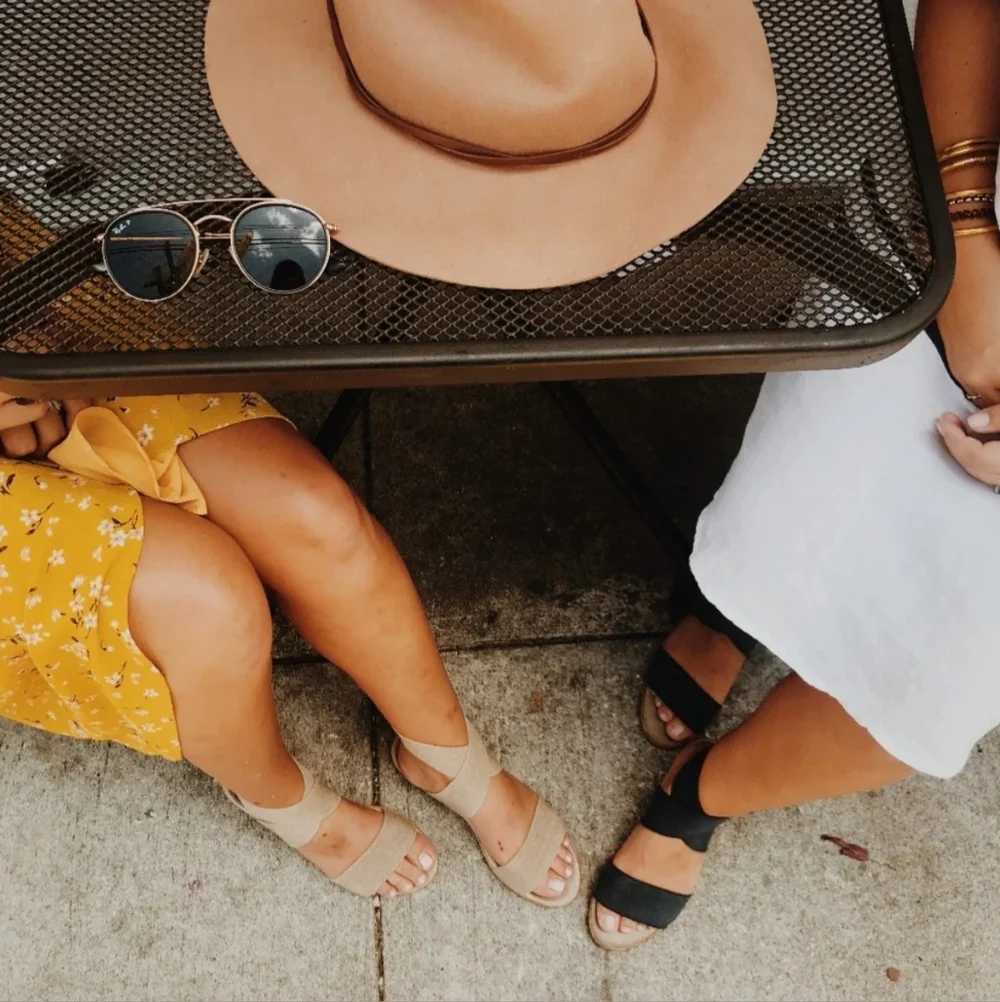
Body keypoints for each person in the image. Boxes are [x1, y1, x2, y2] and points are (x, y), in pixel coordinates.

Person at [589, 0, 1000, 950]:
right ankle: (732, 605)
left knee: (939, 681)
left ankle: (697, 795)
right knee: (798, 499)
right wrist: (969, 244)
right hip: (944, 238)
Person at [0, 392, 577, 906]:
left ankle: (445, 752)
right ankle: (278, 797)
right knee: (203, 604)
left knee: (310, 512)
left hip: (32, 335)